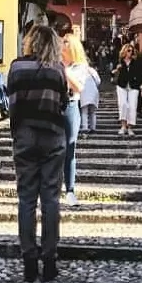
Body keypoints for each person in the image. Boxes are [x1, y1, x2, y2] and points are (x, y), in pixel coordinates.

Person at [6, 25, 67, 283]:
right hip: (52, 135)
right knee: (51, 198)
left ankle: (29, 261)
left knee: (27, 199)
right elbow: (63, 103)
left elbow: (12, 103)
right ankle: (50, 260)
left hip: (25, 135)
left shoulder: (16, 68)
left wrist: (17, 133)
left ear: (30, 42)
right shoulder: (57, 70)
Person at [61, 33, 88, 206]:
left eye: (65, 42)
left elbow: (78, 87)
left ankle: (70, 190)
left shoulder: (80, 66)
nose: (62, 44)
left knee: (69, 149)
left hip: (70, 105)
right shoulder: (53, 62)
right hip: (52, 106)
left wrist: (62, 71)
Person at [113, 44, 142, 136]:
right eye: (129, 50)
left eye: (132, 51)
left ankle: (130, 127)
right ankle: (123, 126)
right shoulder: (119, 62)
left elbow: (140, 75)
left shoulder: (136, 62)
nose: (131, 52)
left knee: (132, 106)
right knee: (123, 105)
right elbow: (112, 73)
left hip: (134, 86)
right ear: (124, 51)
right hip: (122, 85)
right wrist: (115, 70)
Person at [80, 62, 101, 137]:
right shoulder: (92, 70)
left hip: (83, 92)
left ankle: (84, 129)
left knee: (84, 112)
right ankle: (93, 128)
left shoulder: (79, 70)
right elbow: (98, 81)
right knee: (92, 112)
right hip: (93, 92)